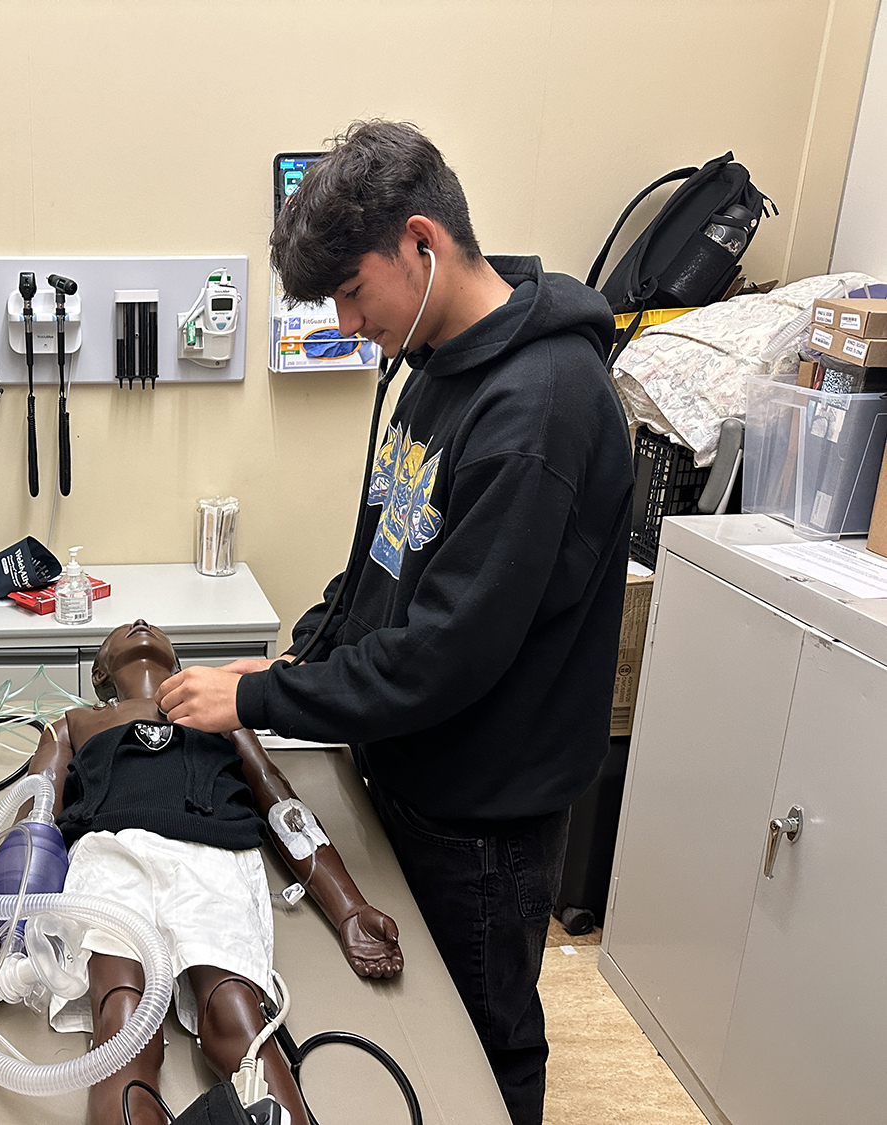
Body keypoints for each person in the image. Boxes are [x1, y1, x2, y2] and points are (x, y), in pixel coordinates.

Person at [158, 121, 633, 1125]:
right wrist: (304, 650)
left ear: (421, 243)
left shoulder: (540, 408)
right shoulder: (434, 365)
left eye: (350, 292)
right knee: (410, 1031)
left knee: (478, 1046)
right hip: (410, 772)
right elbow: (383, 556)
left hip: (484, 816)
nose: (342, 320)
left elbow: (442, 654)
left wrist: (259, 696)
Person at [0, 621, 402, 1125]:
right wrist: (1, 908)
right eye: (124, 629)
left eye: (152, 627)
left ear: (175, 660)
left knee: (236, 1016)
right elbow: (35, 814)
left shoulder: (222, 710)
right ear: (100, 673)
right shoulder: (73, 723)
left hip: (211, 848)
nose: (142, 622)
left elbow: (279, 800)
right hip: (109, 852)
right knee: (123, 1023)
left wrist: (349, 906)